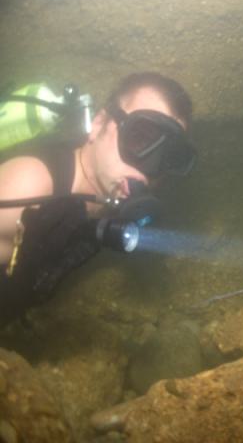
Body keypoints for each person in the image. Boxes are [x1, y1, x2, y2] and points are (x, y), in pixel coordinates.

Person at [0, 72, 195, 327]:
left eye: (167, 156)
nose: (147, 169)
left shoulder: (108, 201)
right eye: (140, 139)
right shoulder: (28, 187)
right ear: (99, 122)